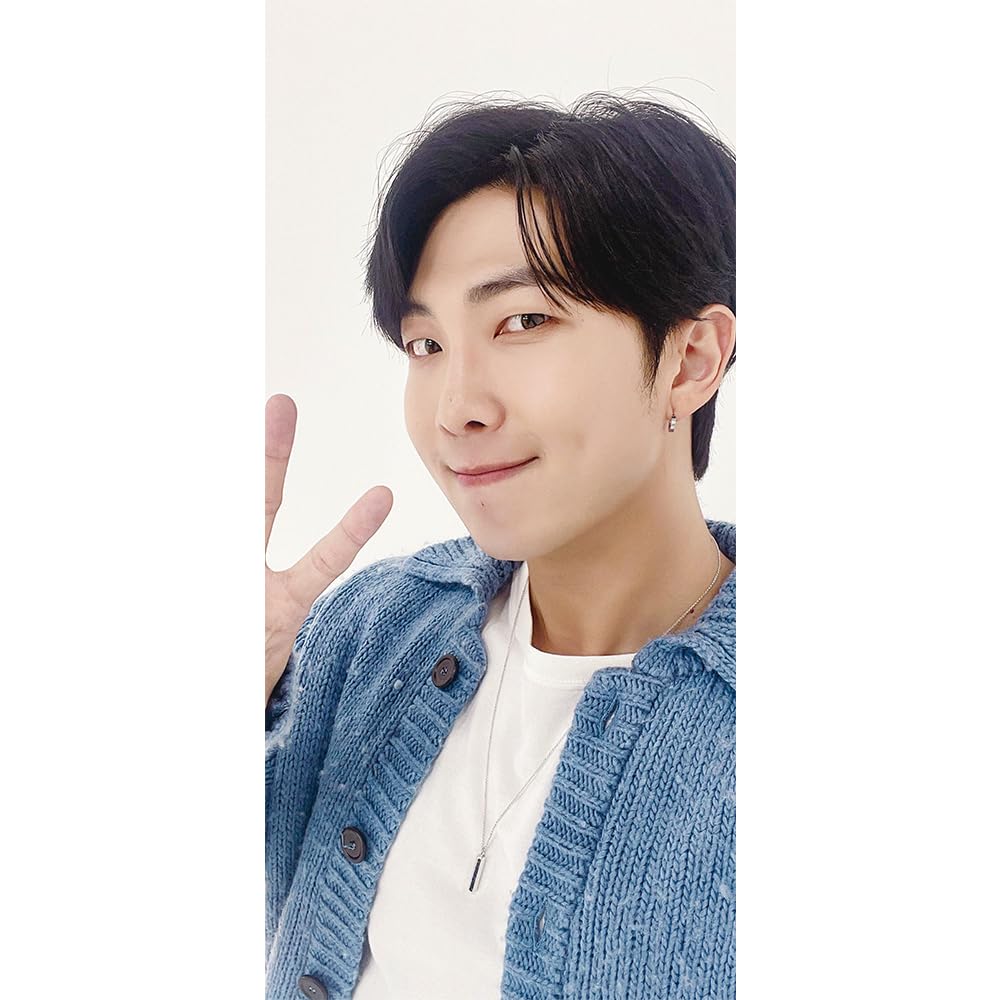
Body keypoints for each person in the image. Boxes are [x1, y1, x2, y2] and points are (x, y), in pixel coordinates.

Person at [265, 92, 736, 1000]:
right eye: (426, 343)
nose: (456, 408)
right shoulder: (369, 631)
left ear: (690, 360)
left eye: (522, 322)